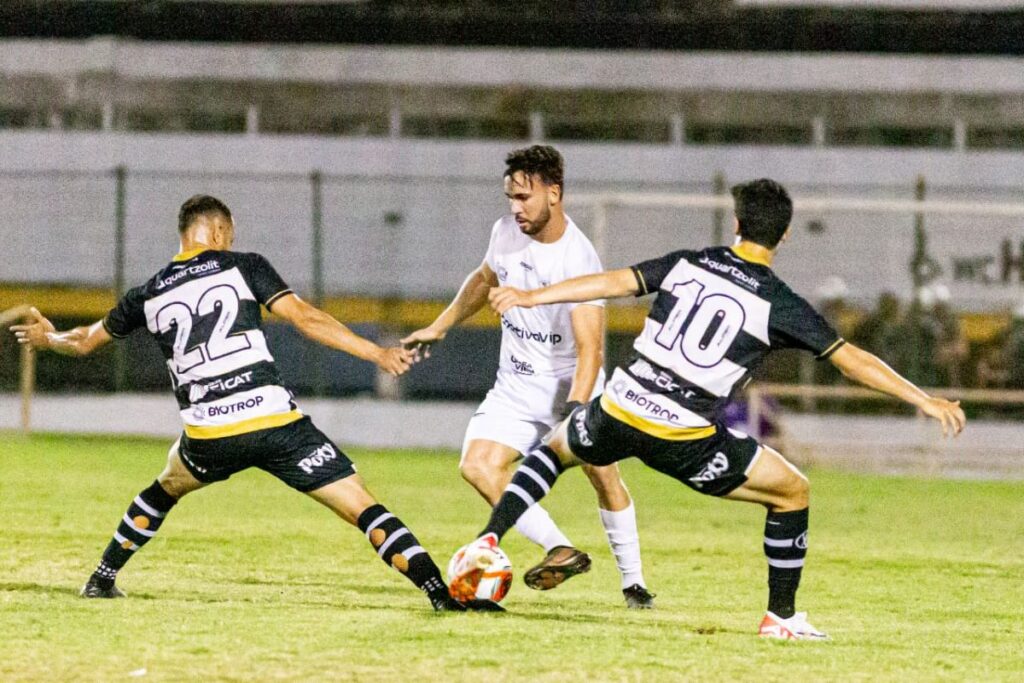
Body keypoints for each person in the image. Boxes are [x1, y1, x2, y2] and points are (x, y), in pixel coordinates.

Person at [449, 178, 966, 638]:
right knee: (792, 492)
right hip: (684, 437)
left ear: (736, 224)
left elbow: (611, 283)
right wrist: (922, 398)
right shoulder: (780, 302)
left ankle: (489, 538)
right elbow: (851, 361)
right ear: (784, 236)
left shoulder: (690, 262)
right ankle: (781, 618)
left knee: (555, 447)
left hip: (622, 407)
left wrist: (531, 297)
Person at [12, 194, 499, 613]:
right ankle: (438, 593)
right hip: (274, 422)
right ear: (218, 231)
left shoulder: (146, 293)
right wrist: (377, 352)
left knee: (165, 488)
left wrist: (49, 337)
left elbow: (84, 340)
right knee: (360, 504)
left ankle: (101, 578)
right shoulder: (242, 265)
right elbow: (305, 318)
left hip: (209, 435)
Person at [401, 145, 653, 608]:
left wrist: (575, 410)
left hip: (570, 387)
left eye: (524, 197)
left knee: (603, 475)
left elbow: (591, 350)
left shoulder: (578, 258)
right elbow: (484, 279)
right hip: (515, 389)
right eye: (510, 198)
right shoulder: (505, 232)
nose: (515, 208)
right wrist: (440, 325)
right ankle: (560, 548)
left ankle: (634, 584)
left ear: (553, 193)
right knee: (477, 466)